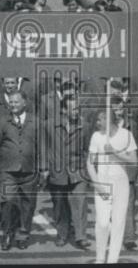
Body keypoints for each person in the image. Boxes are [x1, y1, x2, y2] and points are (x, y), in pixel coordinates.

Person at [87, 101, 138, 264]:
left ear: (108, 119)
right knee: (102, 222)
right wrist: (96, 183)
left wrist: (115, 152)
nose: (97, 123)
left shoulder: (126, 135)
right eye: (96, 120)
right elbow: (90, 162)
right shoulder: (96, 136)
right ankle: (100, 257)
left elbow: (134, 161)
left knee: (118, 222)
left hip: (121, 183)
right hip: (102, 181)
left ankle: (112, 260)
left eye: (100, 120)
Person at [0, 91, 38, 251]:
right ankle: (8, 234)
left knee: (27, 204)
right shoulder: (2, 122)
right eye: (11, 102)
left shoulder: (35, 121)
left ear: (25, 103)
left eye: (16, 102)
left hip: (29, 170)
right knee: (7, 202)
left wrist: (44, 168)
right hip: (7, 171)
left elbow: (42, 146)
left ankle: (23, 235)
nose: (13, 105)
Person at [41, 93, 90, 249]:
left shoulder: (85, 125)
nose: (77, 111)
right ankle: (62, 234)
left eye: (78, 108)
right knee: (60, 205)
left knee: (80, 203)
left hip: (78, 171)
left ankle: (81, 236)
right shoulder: (49, 125)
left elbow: (88, 149)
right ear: (63, 109)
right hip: (58, 171)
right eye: (73, 108)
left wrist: (87, 169)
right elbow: (43, 148)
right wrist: (44, 168)